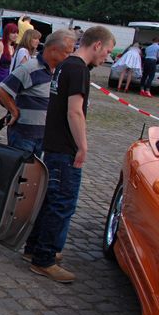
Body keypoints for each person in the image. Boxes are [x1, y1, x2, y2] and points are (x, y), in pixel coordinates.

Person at [24, 26, 115, 283]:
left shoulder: (66, 65)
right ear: (97, 45)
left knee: (50, 200)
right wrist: (82, 146)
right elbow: (74, 111)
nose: (107, 57)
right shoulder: (78, 70)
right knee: (62, 204)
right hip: (65, 148)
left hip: (54, 144)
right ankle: (44, 258)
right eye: (107, 51)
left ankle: (35, 248)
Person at [0, 29, 75, 156]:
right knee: (20, 167)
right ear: (53, 50)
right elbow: (2, 90)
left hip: (44, 136)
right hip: (24, 135)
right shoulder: (30, 68)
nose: (69, 57)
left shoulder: (58, 72)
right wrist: (14, 111)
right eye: (67, 52)